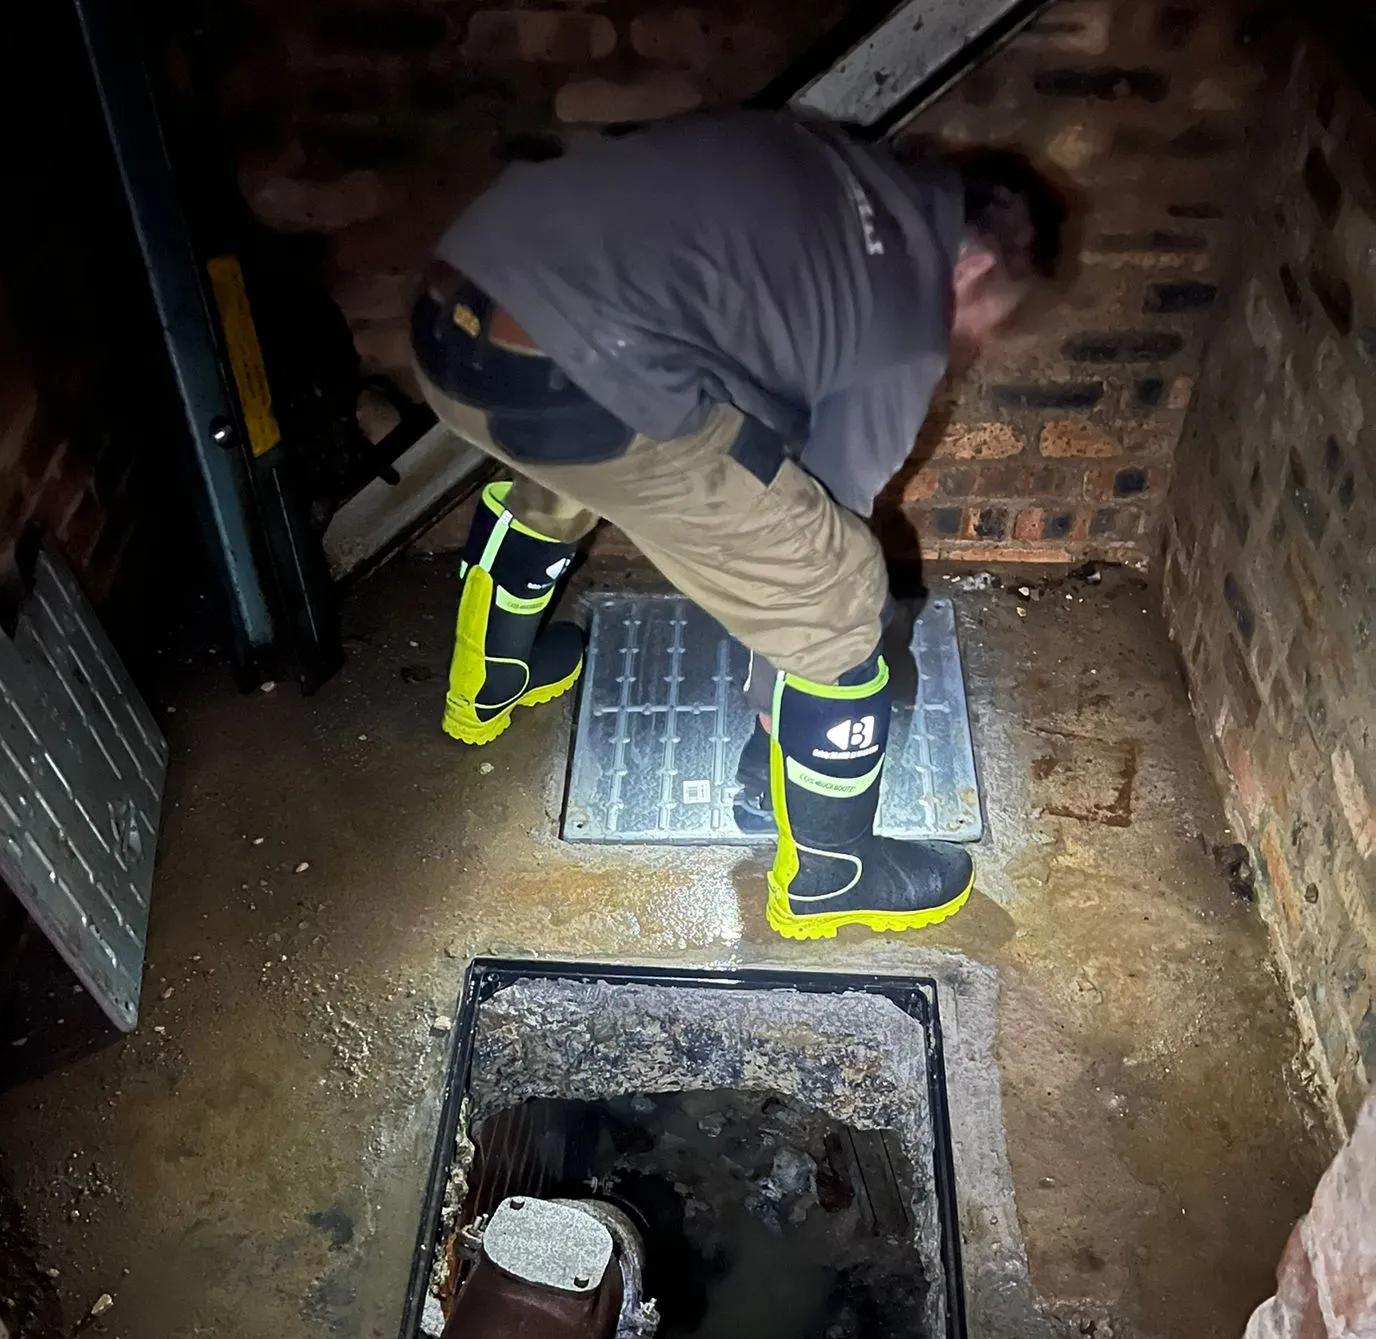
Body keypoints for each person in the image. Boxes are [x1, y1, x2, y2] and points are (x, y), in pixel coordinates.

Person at [410, 111, 1066, 939]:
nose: (969, 339)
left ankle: (489, 683)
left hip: (458, 309)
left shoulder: (828, 159)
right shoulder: (904, 319)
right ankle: (833, 876)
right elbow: (822, 515)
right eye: (984, 317)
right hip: (575, 380)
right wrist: (777, 699)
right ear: (972, 265)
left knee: (570, 471)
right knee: (837, 587)